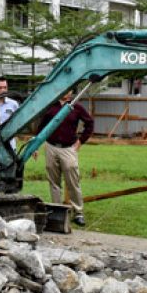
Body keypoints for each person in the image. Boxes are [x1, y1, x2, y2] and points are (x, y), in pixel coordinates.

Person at [37, 90, 94, 227]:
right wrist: (36, 146)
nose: (68, 93)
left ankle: (78, 212)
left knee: (73, 181)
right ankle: (56, 210)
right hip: (51, 147)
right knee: (54, 182)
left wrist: (81, 141)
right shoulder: (51, 107)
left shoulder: (76, 107)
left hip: (68, 148)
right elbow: (41, 127)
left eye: (70, 90)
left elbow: (90, 123)